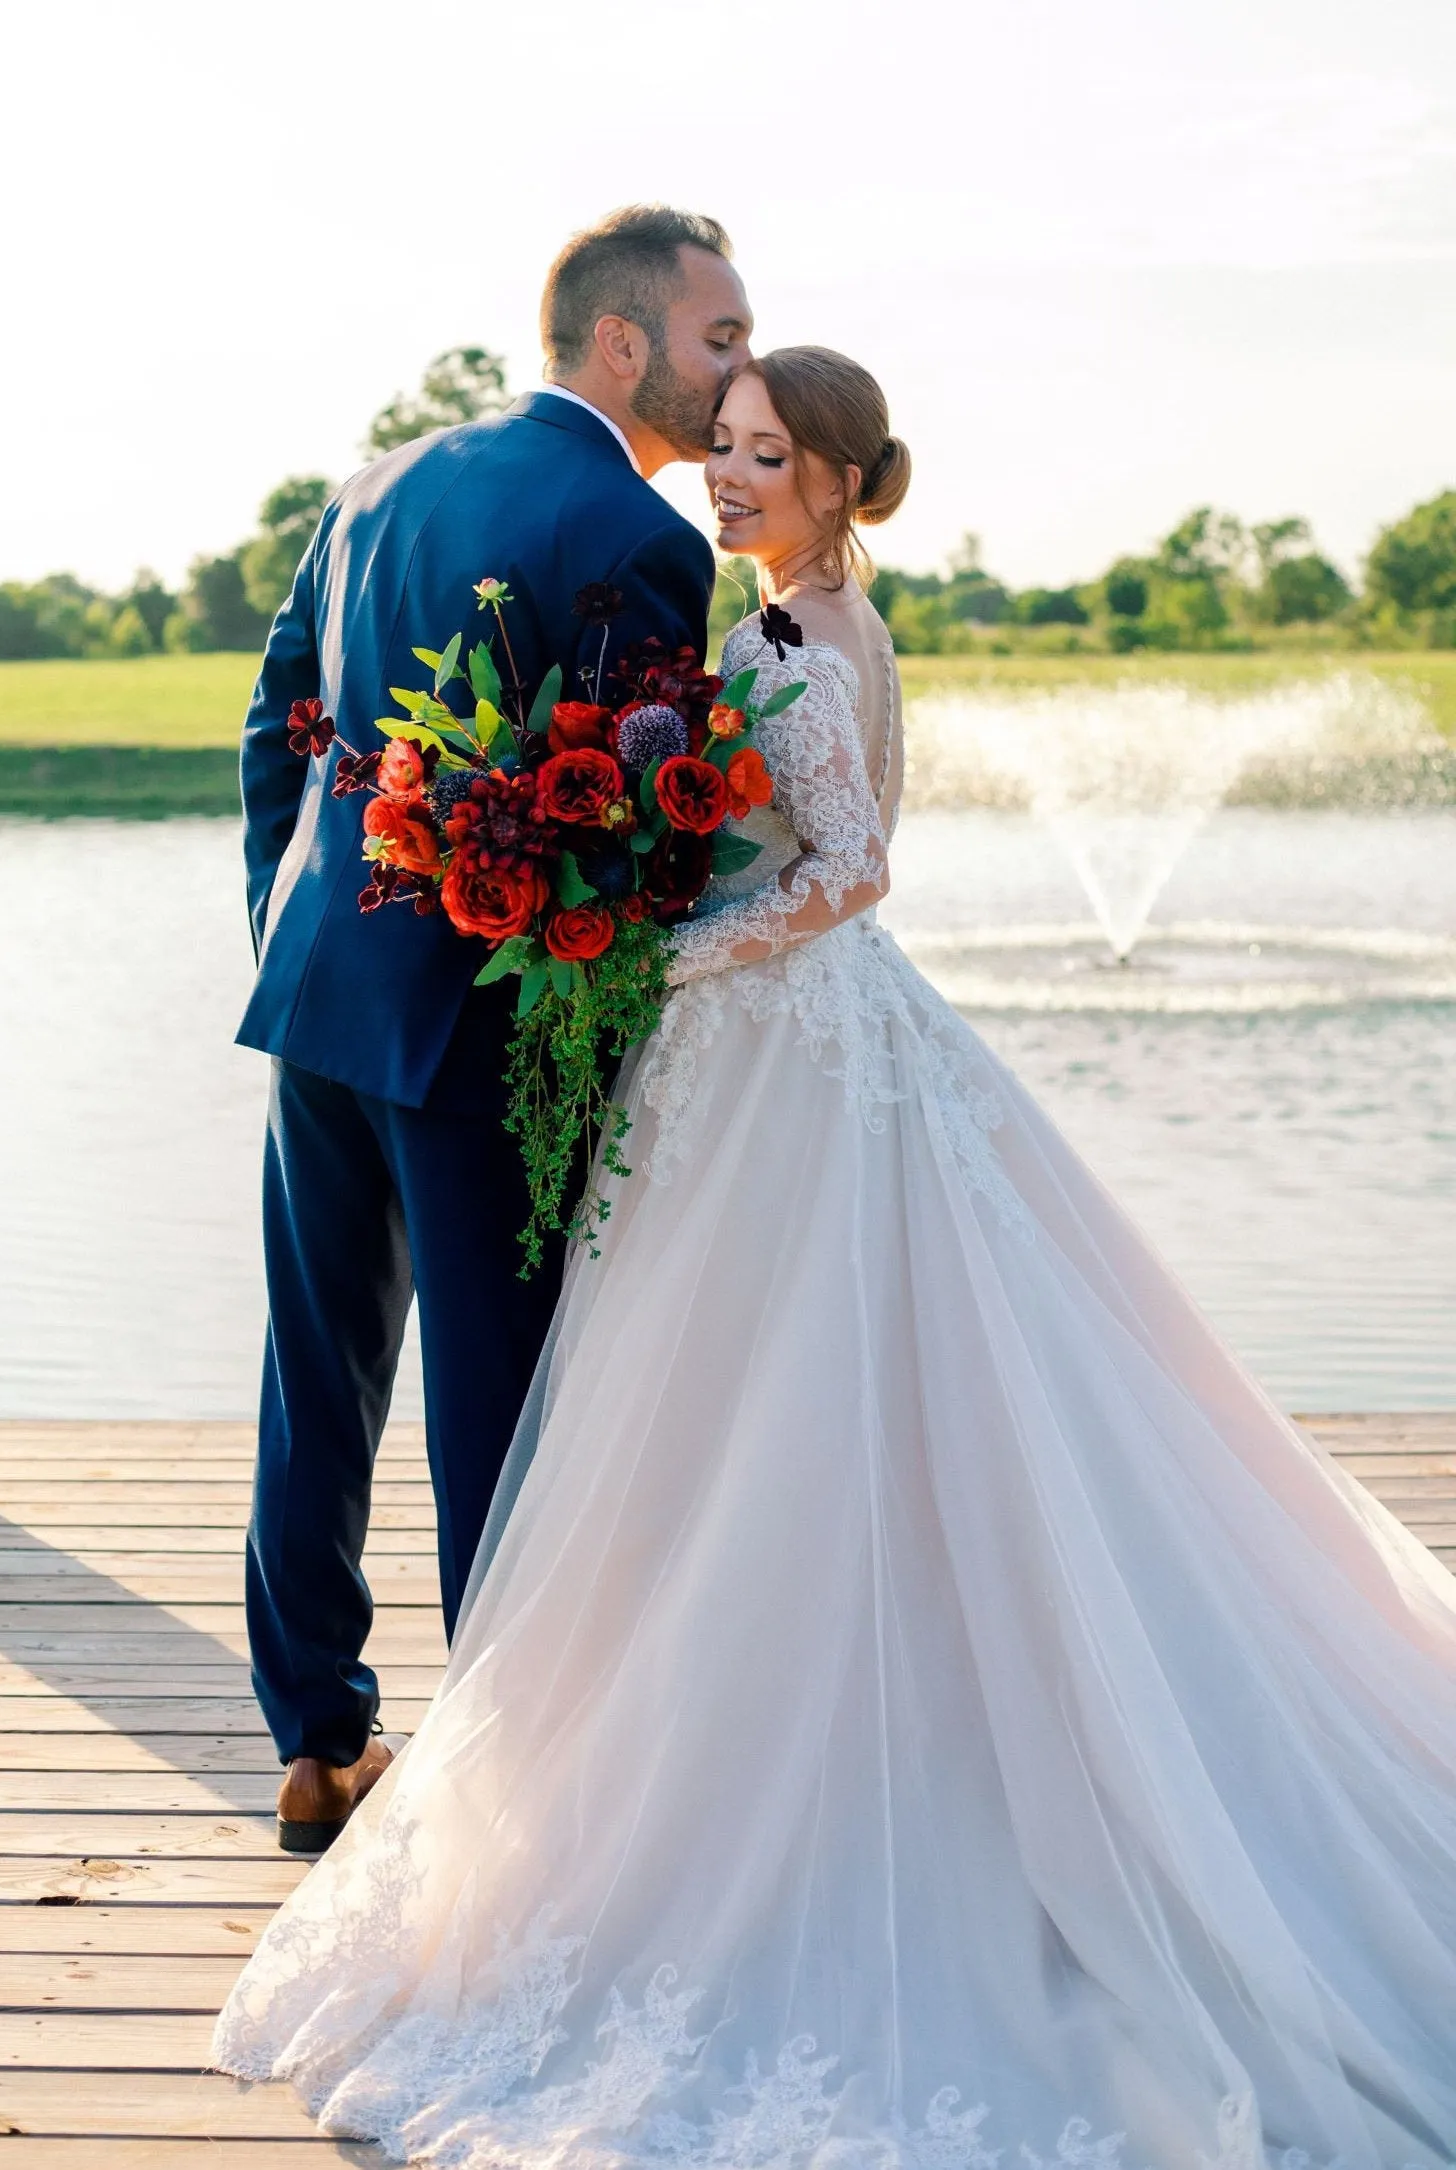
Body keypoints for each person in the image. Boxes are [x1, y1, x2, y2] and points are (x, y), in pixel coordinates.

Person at [215, 349, 1456, 2164]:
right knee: (801, 1401)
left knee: (734, 1402)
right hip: (803, 1054)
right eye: (720, 443)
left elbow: (850, 869)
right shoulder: (822, 625)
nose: (723, 471)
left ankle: (654, 1771)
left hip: (775, 1054)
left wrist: (658, 954)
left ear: (836, 483)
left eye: (762, 453)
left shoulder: (782, 648)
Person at [234, 206, 752, 1851]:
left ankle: (318, 1739)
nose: (740, 368)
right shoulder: (644, 538)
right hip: (488, 1033)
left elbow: (280, 719)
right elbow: (655, 842)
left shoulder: (378, 480)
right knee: (502, 1400)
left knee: (316, 1366)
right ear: (624, 344)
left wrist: (287, 913)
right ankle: (518, 1791)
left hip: (322, 998)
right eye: (718, 337)